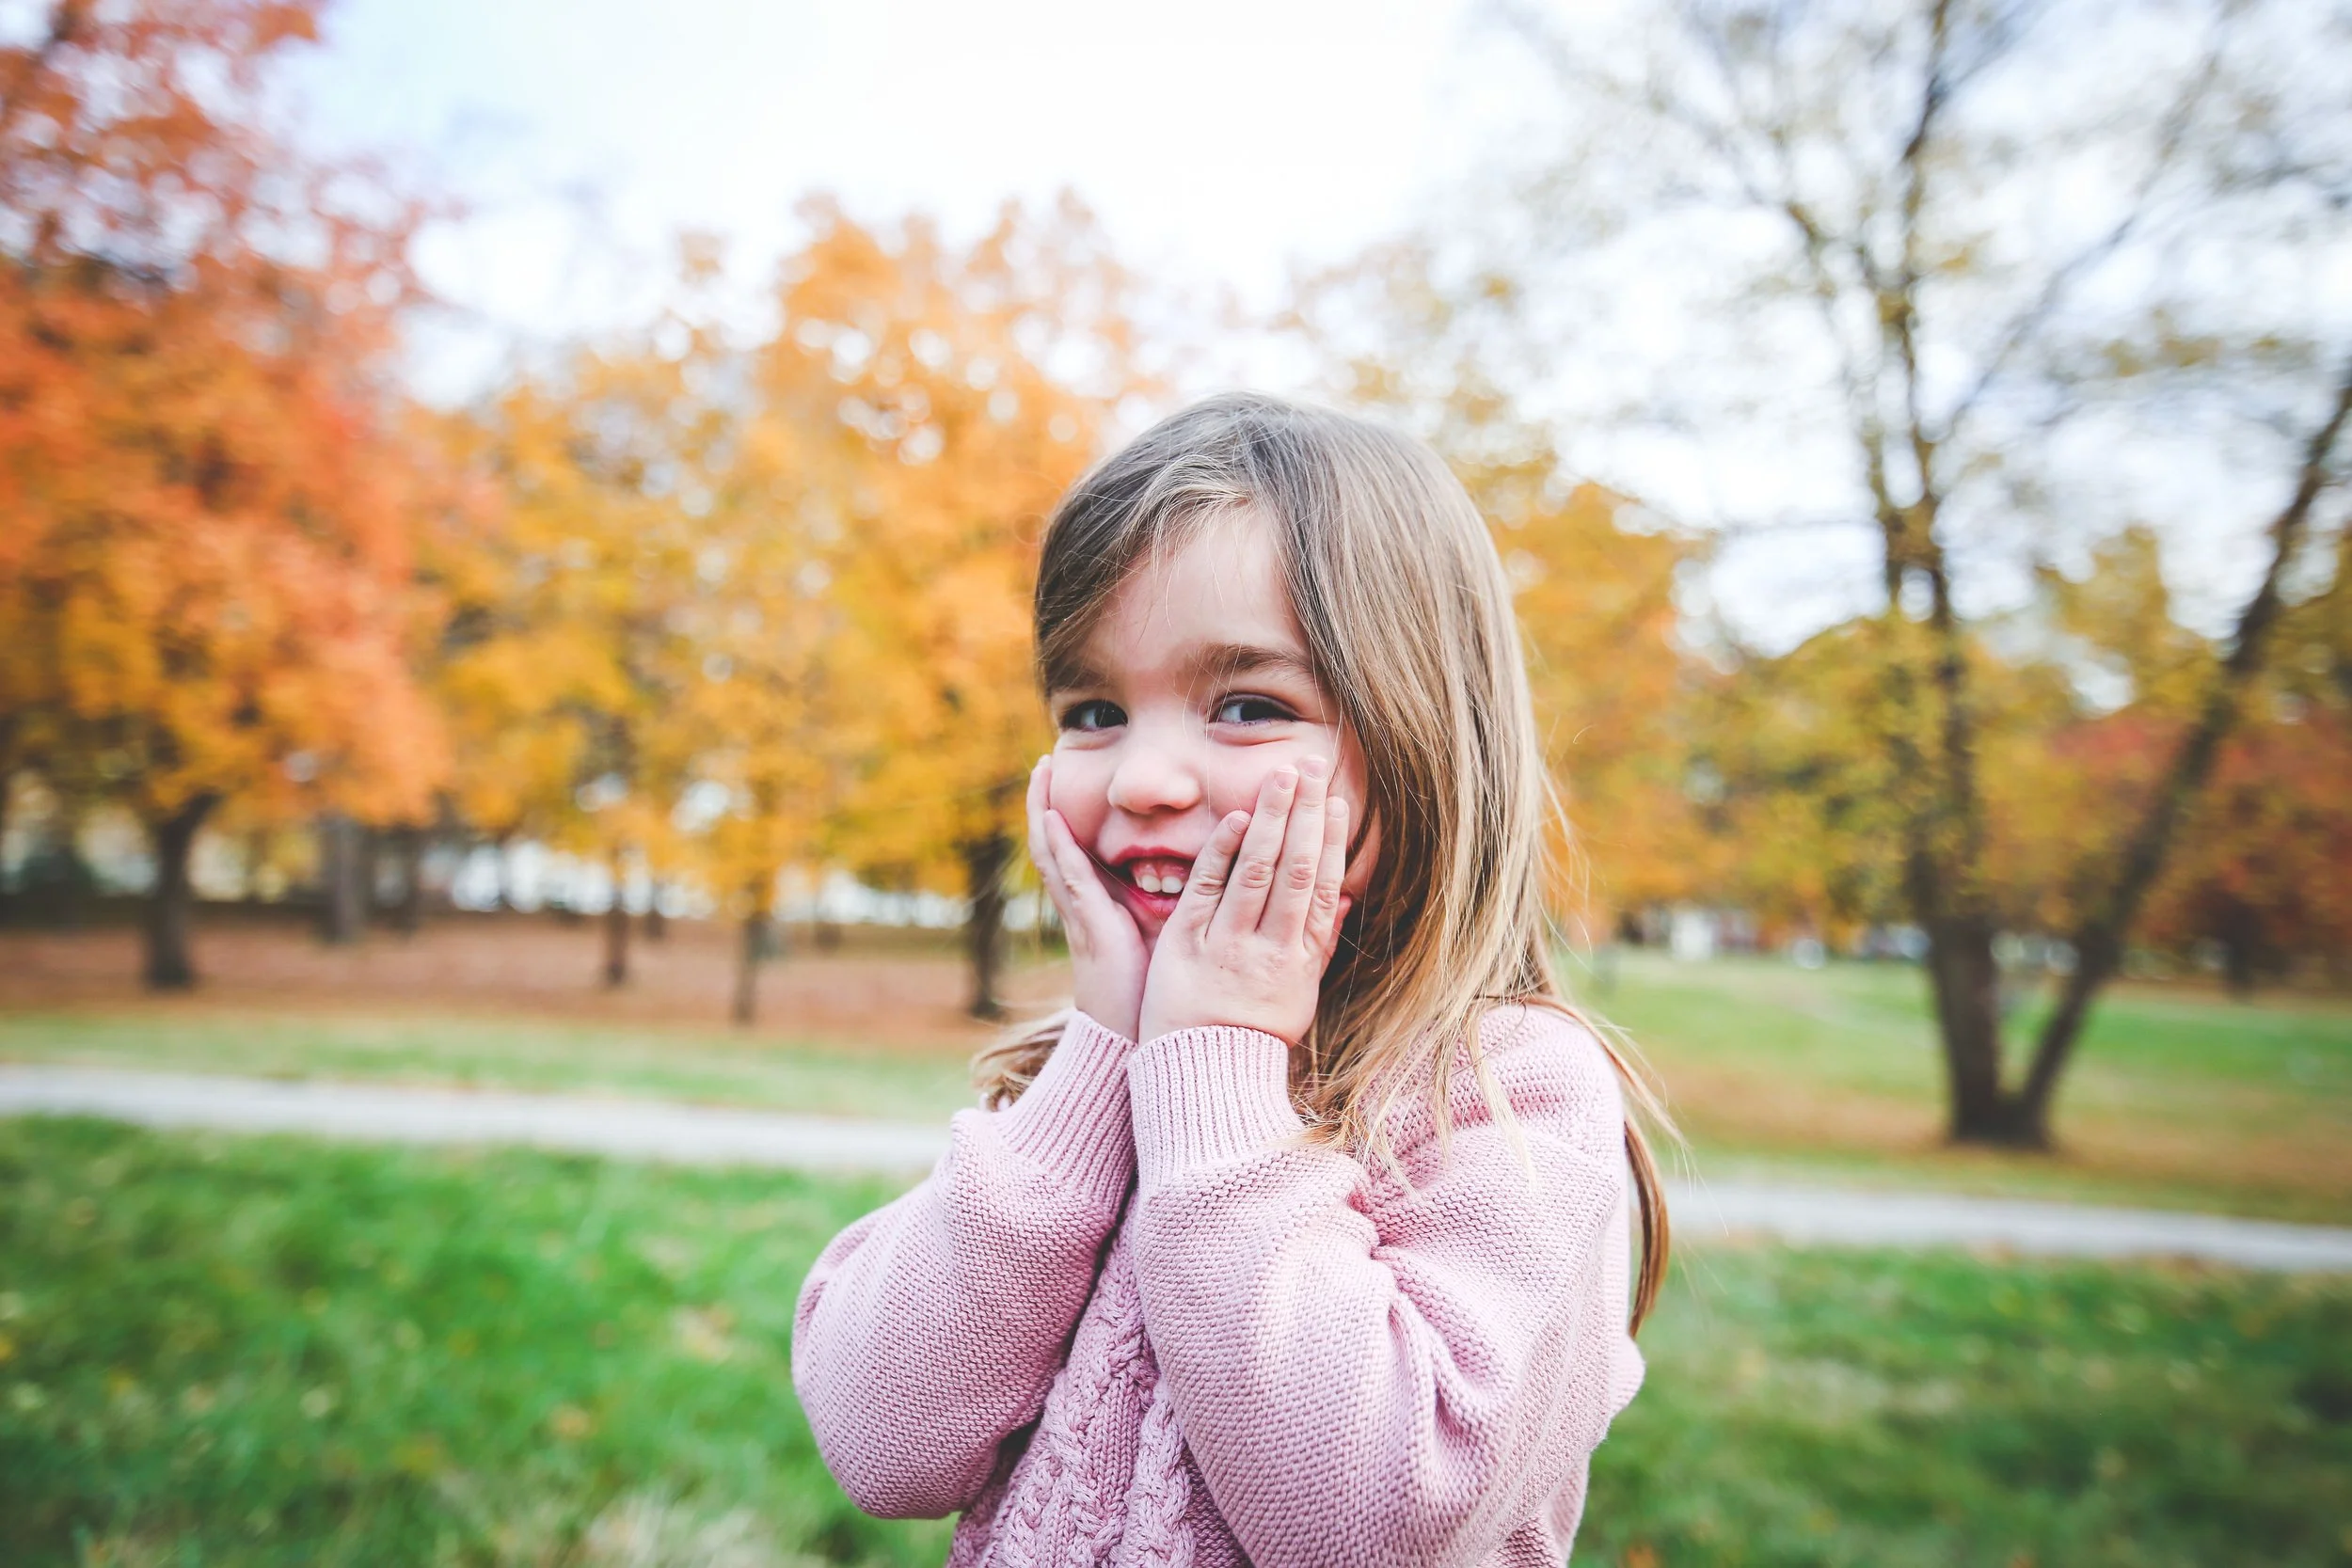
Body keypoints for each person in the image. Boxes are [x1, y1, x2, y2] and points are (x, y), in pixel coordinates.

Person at [793, 392, 1671, 1567]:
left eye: (1248, 705)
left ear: (1421, 740)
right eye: (1093, 710)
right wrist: (1104, 1054)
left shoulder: (1510, 1089)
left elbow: (1372, 1521)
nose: (1145, 775)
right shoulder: (1086, 1078)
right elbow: (880, 1438)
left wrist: (1217, 1065)